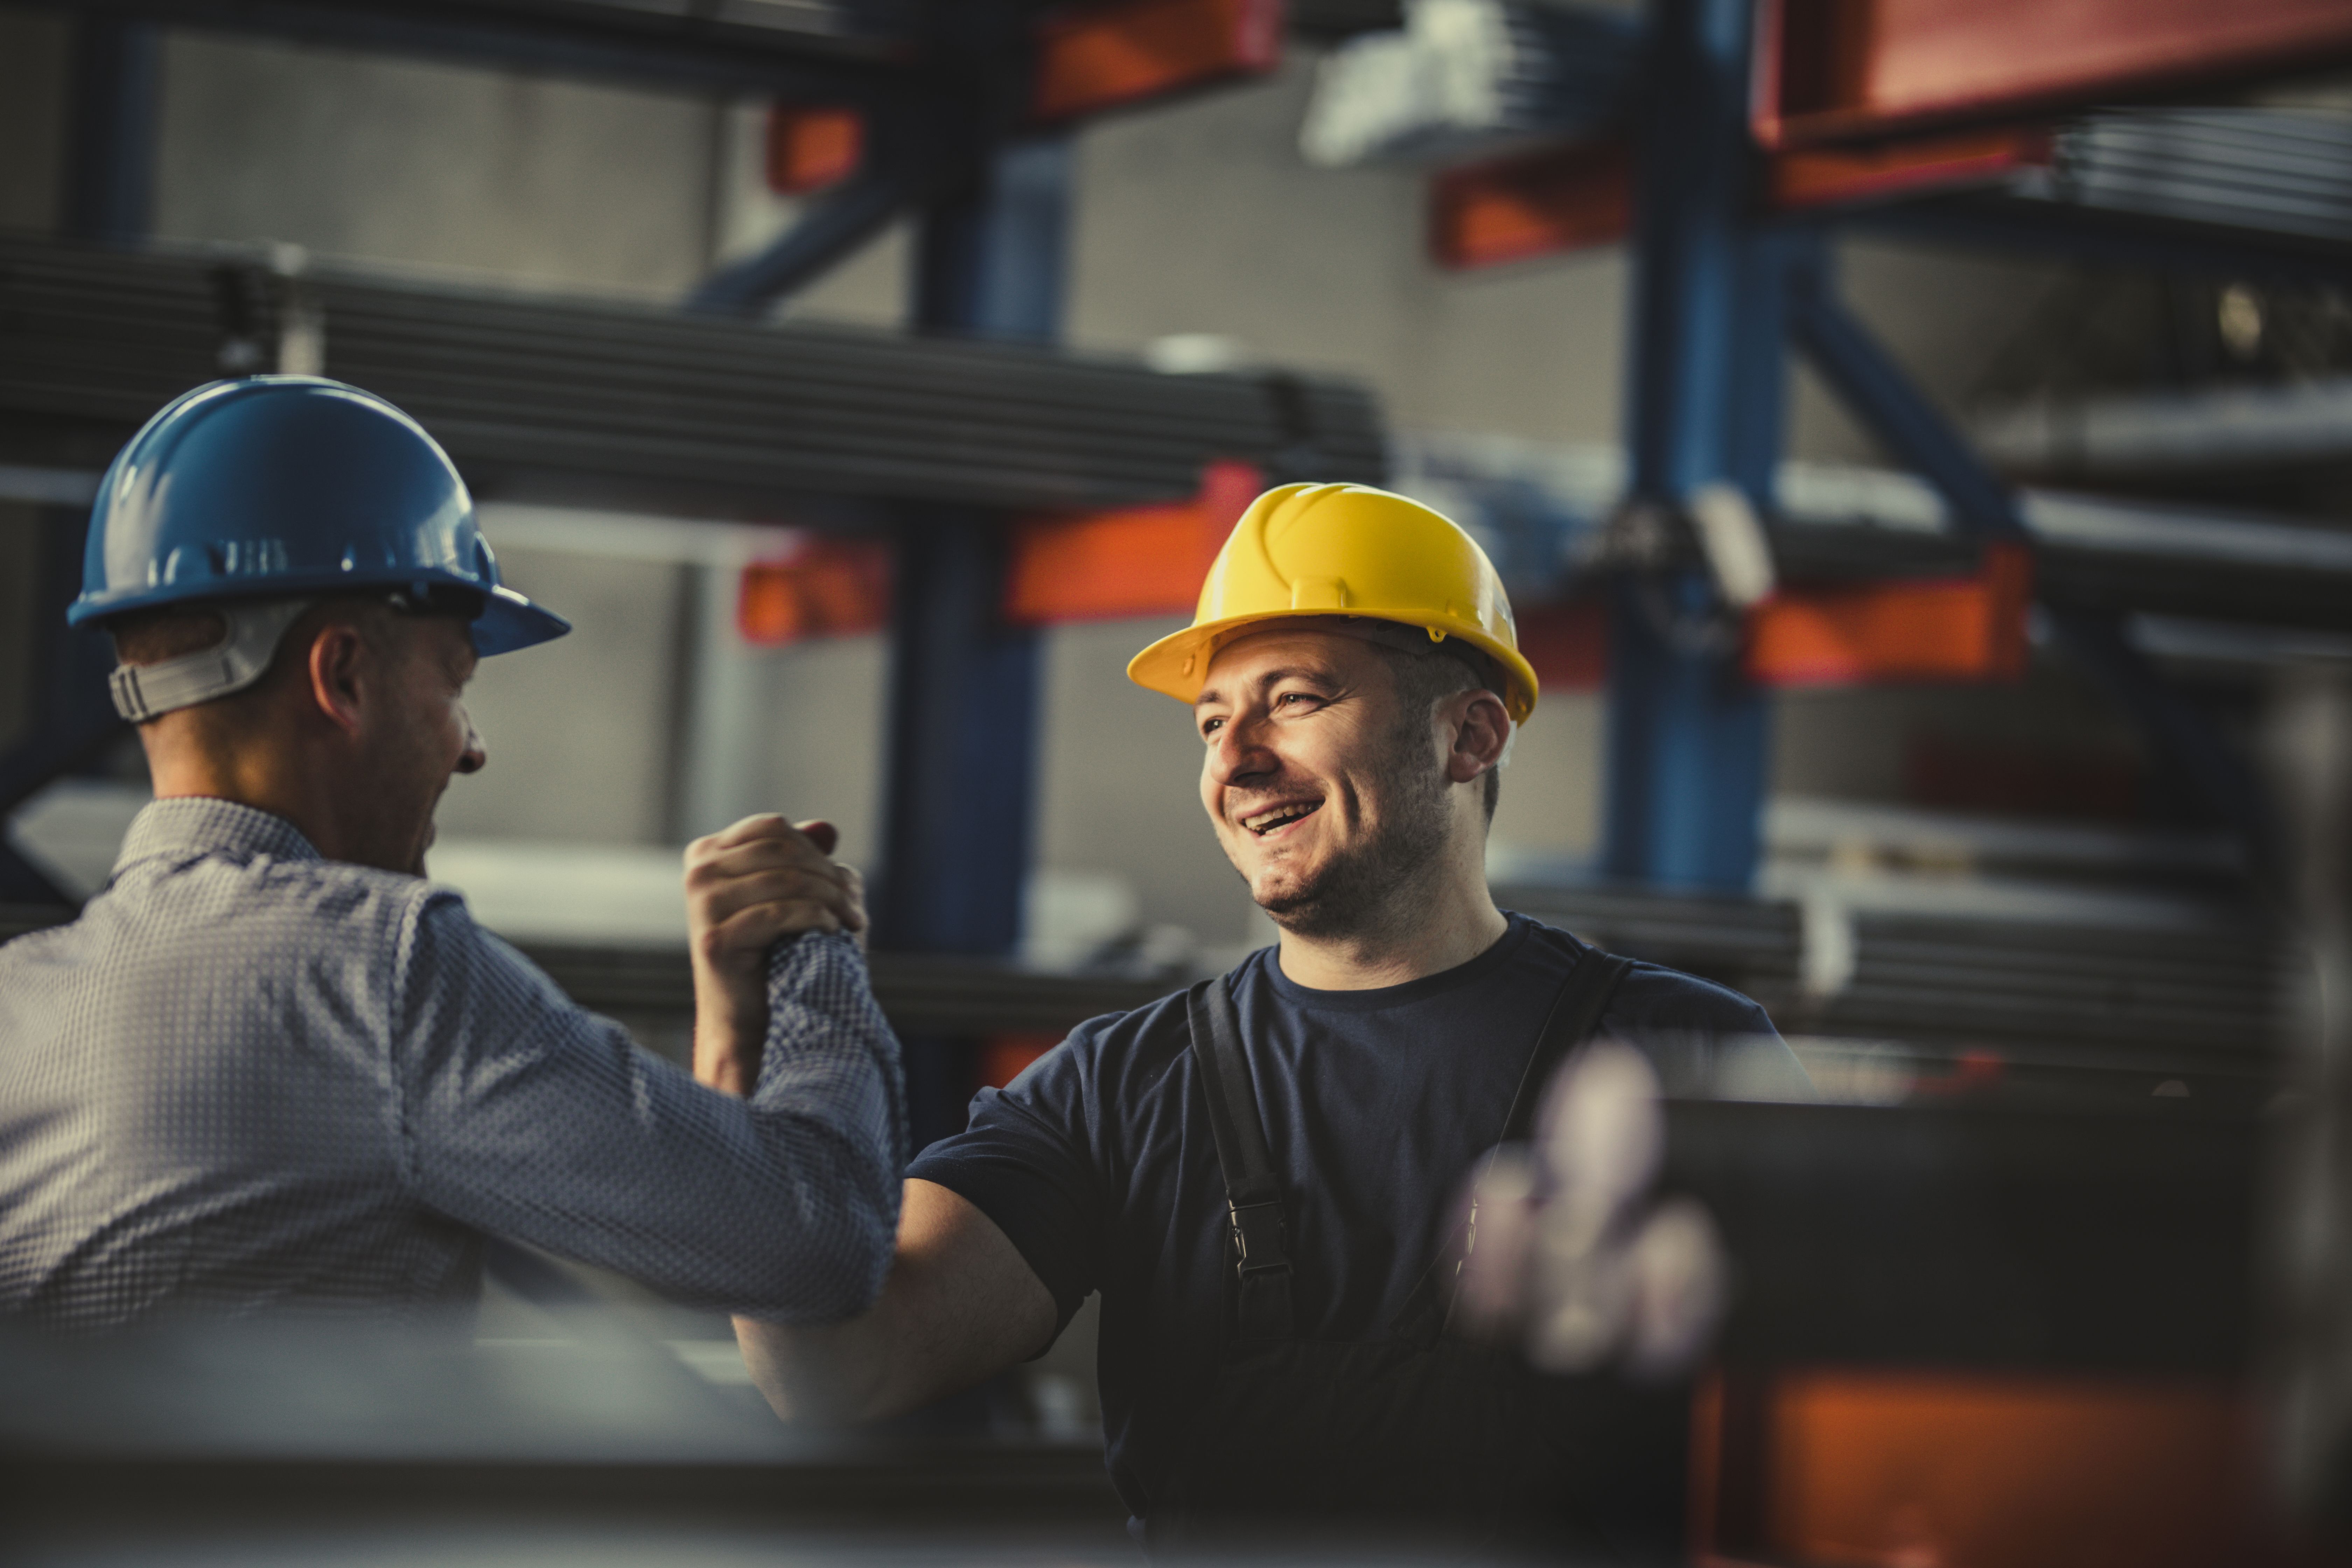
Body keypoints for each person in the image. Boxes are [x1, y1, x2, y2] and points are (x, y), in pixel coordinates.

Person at [710, 482, 1810, 1547]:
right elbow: (838, 1366)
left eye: (1296, 699)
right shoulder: (1117, 1089)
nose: (1235, 761)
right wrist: (747, 1053)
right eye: (1210, 721)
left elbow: (1848, 1432)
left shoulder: (1686, 1056)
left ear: (1470, 738)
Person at [0, 376, 902, 1334]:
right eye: (455, 685)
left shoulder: (19, 1000)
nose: (471, 748)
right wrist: (811, 941)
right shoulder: (378, 972)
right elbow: (823, 1239)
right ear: (341, 676)